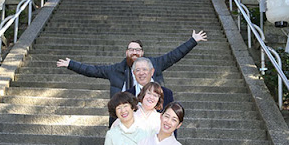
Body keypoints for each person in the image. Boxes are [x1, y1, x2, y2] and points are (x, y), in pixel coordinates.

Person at [56, 30, 207, 98]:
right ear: (126, 52)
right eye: (131, 50)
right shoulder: (115, 70)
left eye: (137, 50)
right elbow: (92, 70)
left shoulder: (154, 64)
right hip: (124, 113)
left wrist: (193, 41)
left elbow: (174, 55)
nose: (134, 53)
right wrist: (71, 64)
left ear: (142, 53)